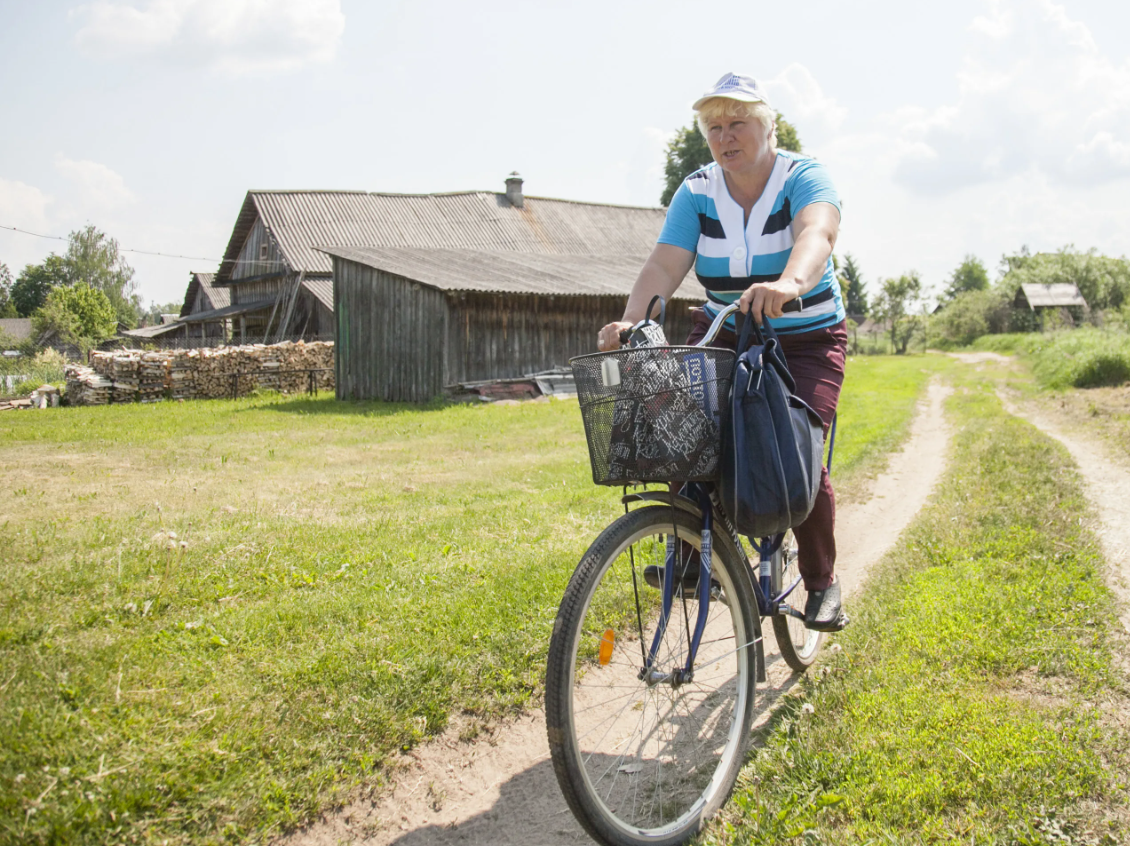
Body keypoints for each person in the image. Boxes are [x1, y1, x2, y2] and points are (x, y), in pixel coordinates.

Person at [597, 72, 848, 631]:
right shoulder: (698, 191)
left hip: (805, 338)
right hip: (727, 330)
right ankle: (690, 559)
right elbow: (665, 264)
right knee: (686, 432)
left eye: (738, 123)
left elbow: (816, 234)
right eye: (714, 128)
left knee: (792, 446)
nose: (725, 136)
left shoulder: (802, 177)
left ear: (768, 128)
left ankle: (822, 583)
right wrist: (632, 321)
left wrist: (789, 283)